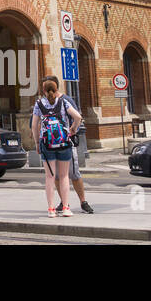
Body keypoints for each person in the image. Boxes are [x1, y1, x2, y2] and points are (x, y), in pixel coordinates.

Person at [42, 77, 94, 214]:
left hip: (66, 144)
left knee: (73, 174)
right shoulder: (43, 103)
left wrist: (73, 130)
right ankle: (64, 202)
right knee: (58, 176)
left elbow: (77, 117)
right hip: (52, 145)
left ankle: (83, 201)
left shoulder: (66, 100)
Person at [32, 78, 82, 217]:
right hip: (63, 142)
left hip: (46, 143)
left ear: (43, 90)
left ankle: (51, 209)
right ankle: (66, 208)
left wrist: (37, 143)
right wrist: (73, 129)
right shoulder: (63, 101)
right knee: (64, 176)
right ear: (56, 89)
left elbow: (34, 125)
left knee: (50, 177)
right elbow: (78, 117)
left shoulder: (38, 104)